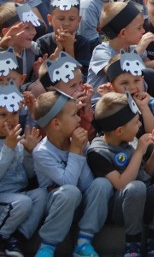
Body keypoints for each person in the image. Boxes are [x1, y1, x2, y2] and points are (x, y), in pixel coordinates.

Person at [87, 93, 154, 257]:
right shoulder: (98, 151)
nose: (139, 126)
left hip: (142, 198)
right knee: (135, 187)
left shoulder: (129, 140)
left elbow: (145, 175)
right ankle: (132, 244)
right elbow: (121, 184)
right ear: (119, 130)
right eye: (136, 123)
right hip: (120, 207)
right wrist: (139, 151)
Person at [32, 91, 113, 257]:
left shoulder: (79, 141)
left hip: (81, 205)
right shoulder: (42, 152)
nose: (79, 119)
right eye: (74, 114)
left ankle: (83, 242)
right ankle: (47, 247)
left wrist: (80, 149)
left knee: (102, 184)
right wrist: (75, 151)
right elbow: (67, 182)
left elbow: (86, 184)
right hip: (57, 207)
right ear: (56, 124)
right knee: (70, 192)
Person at [0, 82, 47, 257]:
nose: (10, 119)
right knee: (23, 202)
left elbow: (28, 175)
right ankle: (2, 237)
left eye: (13, 113)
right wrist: (8, 148)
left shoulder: (17, 140)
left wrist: (28, 152)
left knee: (41, 195)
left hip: (17, 197)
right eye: (2, 115)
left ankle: (16, 239)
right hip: (4, 197)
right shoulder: (11, 143)